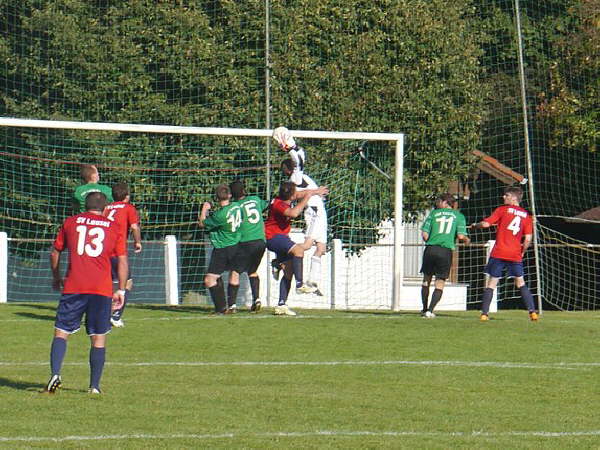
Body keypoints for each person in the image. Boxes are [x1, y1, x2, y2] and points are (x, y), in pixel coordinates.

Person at [43, 192, 128, 395]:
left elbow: (55, 251)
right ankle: (94, 386)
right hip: (101, 288)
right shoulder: (113, 227)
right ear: (105, 208)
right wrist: (121, 290)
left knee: (61, 331)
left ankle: (55, 373)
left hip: (74, 286)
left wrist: (56, 276)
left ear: (84, 205)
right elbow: (122, 260)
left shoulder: (71, 222)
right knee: (98, 337)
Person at [471, 186, 538, 321]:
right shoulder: (527, 216)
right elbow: (529, 239)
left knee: (491, 283)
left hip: (499, 252)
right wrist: (522, 251)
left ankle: (484, 314)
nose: (503, 197)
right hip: (515, 254)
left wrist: (475, 225)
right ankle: (532, 312)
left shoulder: (502, 210)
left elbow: (485, 225)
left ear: (514, 198)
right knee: (521, 283)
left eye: (506, 195)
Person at [265, 181, 328, 316]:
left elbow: (303, 193)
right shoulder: (278, 204)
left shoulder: (285, 197)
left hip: (280, 237)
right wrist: (306, 199)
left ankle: (281, 305)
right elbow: (293, 213)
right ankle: (300, 285)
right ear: (292, 195)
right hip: (273, 237)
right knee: (299, 251)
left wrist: (315, 191)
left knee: (288, 272)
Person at [280, 158, 328, 295]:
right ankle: (280, 259)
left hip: (320, 211)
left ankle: (312, 281)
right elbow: (297, 195)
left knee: (321, 248)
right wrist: (316, 191)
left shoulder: (299, 177)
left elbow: (299, 160)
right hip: (314, 212)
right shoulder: (294, 180)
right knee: (307, 245)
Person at [419, 193, 470, 318]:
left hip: (430, 249)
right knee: (440, 282)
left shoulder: (433, 214)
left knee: (426, 280)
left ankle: (424, 308)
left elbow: (424, 234)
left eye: (439, 201)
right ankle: (430, 310)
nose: (437, 203)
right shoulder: (459, 216)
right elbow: (461, 236)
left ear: (445, 202)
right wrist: (467, 241)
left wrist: (432, 241)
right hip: (445, 251)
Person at [198, 184, 243, 314]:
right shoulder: (237, 207)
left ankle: (221, 308)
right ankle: (231, 305)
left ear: (217, 198)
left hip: (223, 248)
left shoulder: (219, 215)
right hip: (237, 246)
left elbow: (202, 223)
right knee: (233, 275)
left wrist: (204, 209)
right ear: (229, 195)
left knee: (209, 279)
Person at [103, 182, 142, 327]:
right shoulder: (128, 208)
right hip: (118, 252)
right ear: (127, 196)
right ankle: (116, 315)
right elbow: (134, 226)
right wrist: (138, 242)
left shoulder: (106, 208)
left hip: (104, 250)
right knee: (126, 283)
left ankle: (103, 313)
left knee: (108, 283)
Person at [229, 180, 268, 313]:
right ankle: (256, 299)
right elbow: (267, 205)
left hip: (246, 241)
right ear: (244, 190)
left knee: (235, 271)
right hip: (261, 242)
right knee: (252, 270)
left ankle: (232, 305)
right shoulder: (255, 199)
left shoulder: (234, 206)